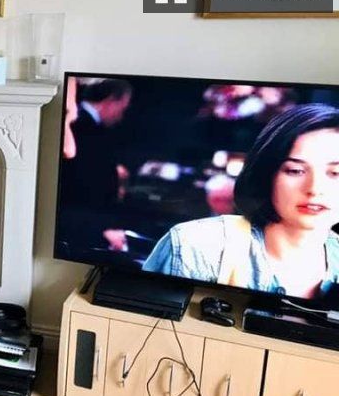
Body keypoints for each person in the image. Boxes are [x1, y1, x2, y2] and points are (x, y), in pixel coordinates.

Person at [143, 104, 339, 299]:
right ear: (267, 174)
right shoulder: (193, 247)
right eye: (295, 171)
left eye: (335, 173)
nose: (315, 188)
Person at [59, 78, 134, 252]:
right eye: (123, 108)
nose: (121, 116)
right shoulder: (82, 127)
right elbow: (74, 189)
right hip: (79, 228)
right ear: (111, 100)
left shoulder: (91, 128)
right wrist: (99, 230)